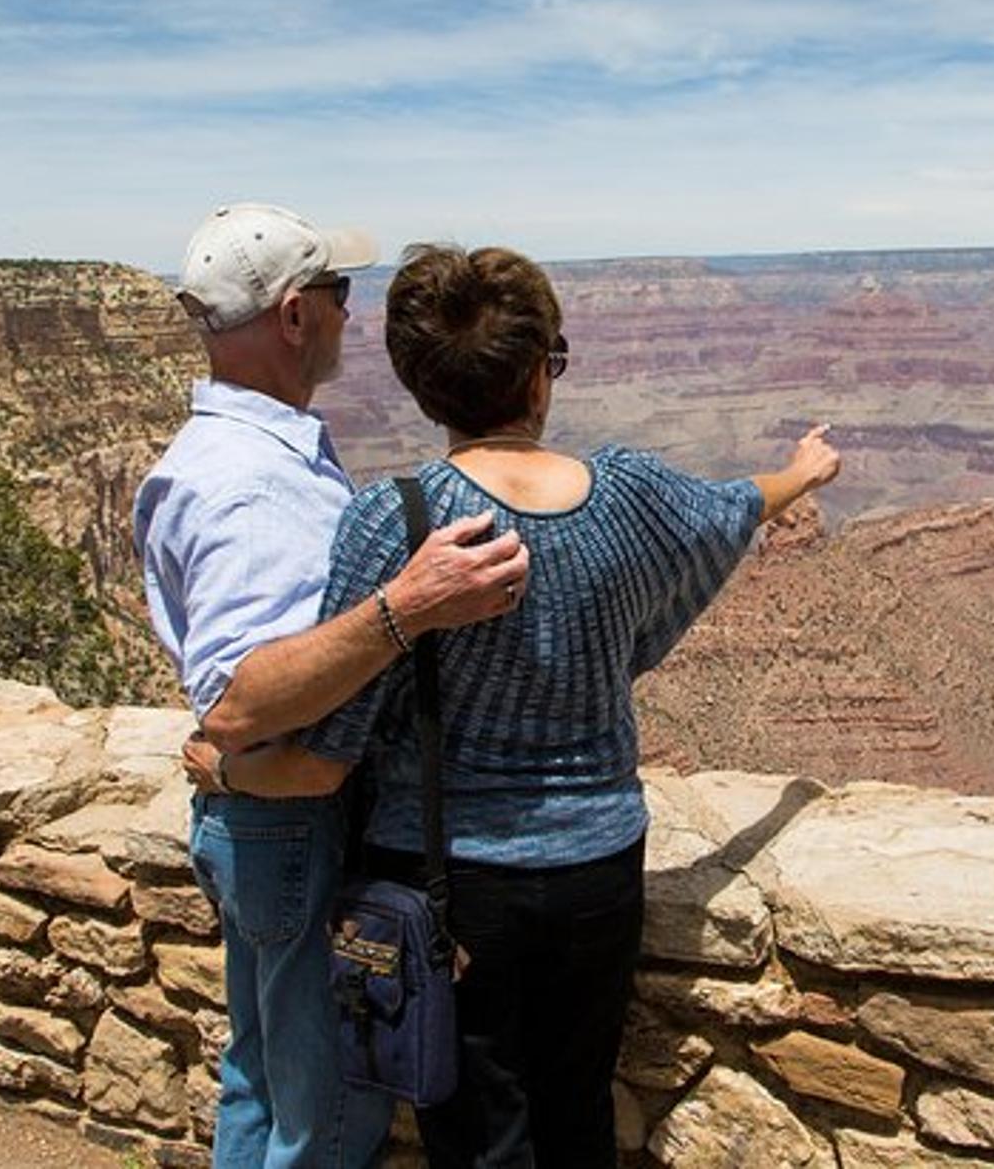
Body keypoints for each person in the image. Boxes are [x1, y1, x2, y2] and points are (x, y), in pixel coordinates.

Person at [184, 241, 840, 1168]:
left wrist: (229, 763)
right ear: (540, 374)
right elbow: (733, 506)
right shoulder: (635, 496)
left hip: (447, 886)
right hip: (601, 866)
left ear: (419, 384)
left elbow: (328, 754)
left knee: (478, 1136)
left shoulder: (397, 521)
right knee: (577, 1116)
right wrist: (803, 472)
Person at [136, 205, 531, 1169]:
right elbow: (244, 698)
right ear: (292, 315)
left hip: (261, 829)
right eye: (339, 294)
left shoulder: (240, 450)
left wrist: (225, 769)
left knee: (261, 1081)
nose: (353, 316)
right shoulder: (250, 484)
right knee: (329, 1113)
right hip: (296, 830)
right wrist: (407, 606)